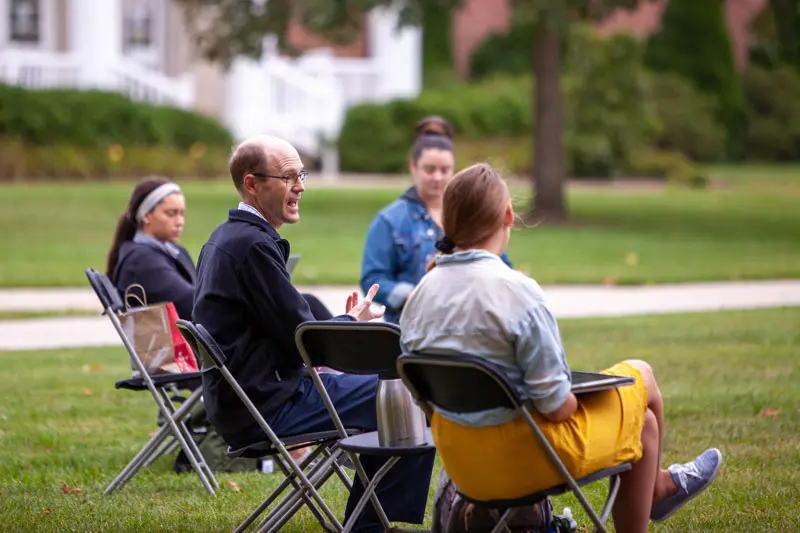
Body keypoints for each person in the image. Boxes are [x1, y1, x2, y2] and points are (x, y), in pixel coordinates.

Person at [399, 163, 722, 533]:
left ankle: (660, 486)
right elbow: (555, 408)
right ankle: (658, 489)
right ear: (508, 215)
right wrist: (577, 397)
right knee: (641, 374)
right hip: (526, 459)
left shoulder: (419, 295)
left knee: (644, 424)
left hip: (463, 466)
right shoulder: (518, 292)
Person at [192, 135, 436, 532]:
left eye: (301, 175)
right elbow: (306, 340)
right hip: (270, 406)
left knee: (390, 397)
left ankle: (370, 519)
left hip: (243, 403)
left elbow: (290, 331)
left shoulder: (226, 238)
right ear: (252, 184)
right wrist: (353, 324)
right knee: (411, 394)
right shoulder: (251, 246)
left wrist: (347, 321)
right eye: (289, 177)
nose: (301, 186)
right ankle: (370, 525)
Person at [360, 125, 512, 324]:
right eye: (429, 169)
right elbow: (372, 279)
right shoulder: (389, 220)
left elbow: (500, 263)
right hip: (408, 329)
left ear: (454, 169)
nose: (437, 177)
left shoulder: (470, 214)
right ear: (413, 167)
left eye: (444, 170)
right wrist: (413, 295)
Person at [107, 178, 195, 318]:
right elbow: (190, 303)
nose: (180, 222)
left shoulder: (171, 250)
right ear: (146, 216)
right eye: (171, 213)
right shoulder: (142, 260)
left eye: (181, 214)